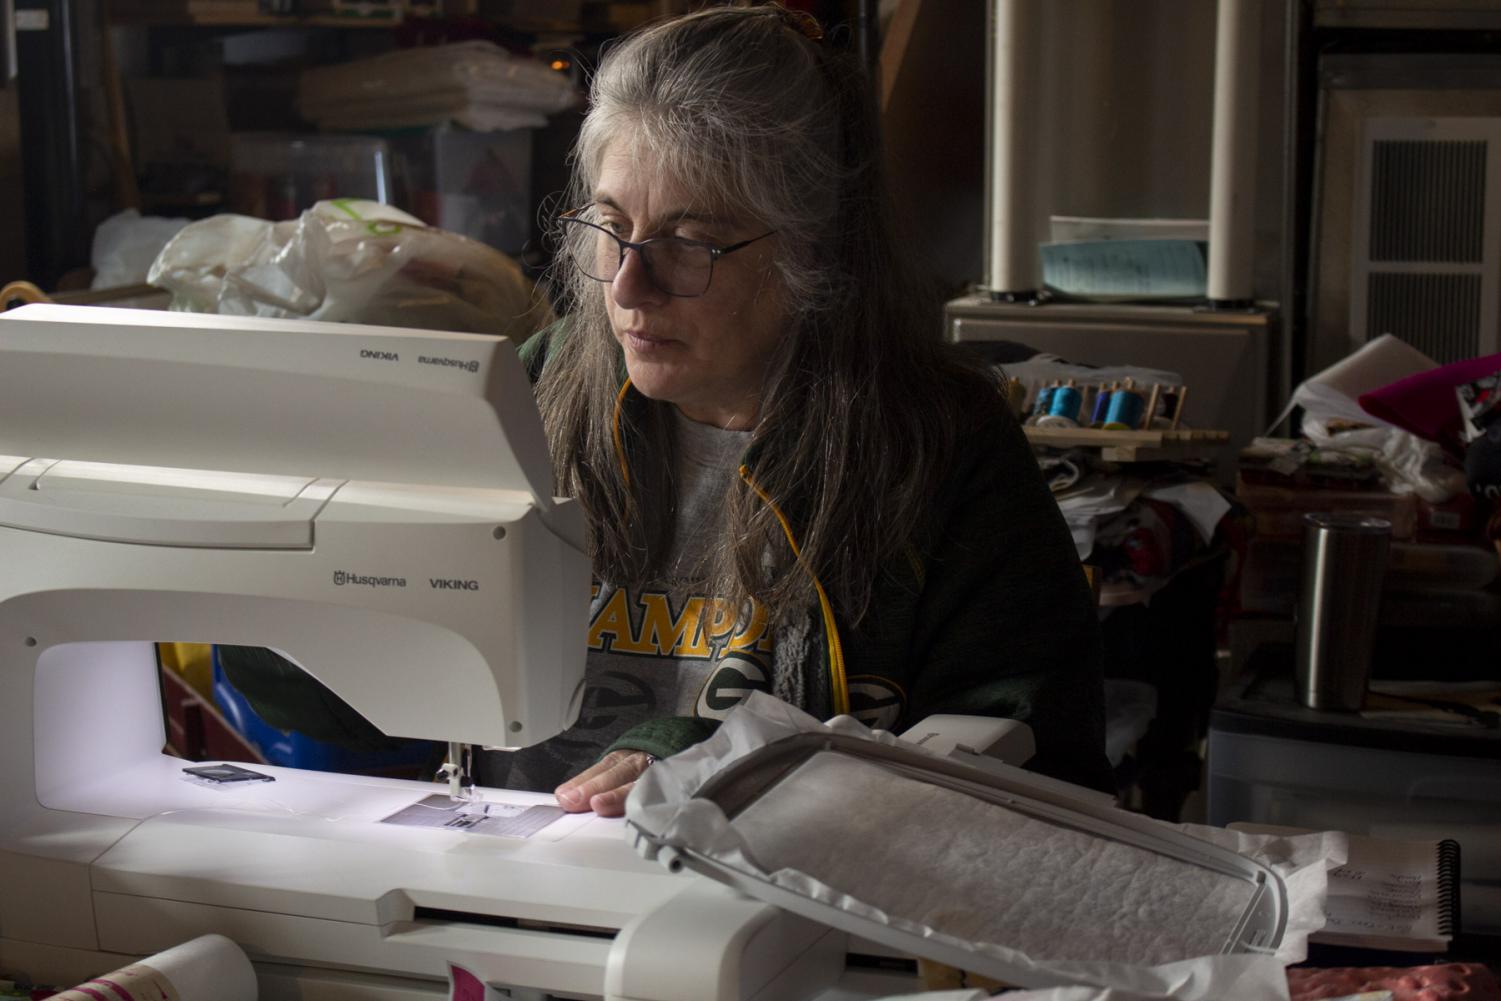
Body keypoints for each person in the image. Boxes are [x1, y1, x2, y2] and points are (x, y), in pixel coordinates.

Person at [471, 3, 1114, 815]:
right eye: (611, 226)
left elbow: (1032, 766)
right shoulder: (534, 392)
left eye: (689, 241)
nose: (629, 287)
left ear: (811, 249)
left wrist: (722, 756)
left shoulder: (938, 449)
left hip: (800, 912)